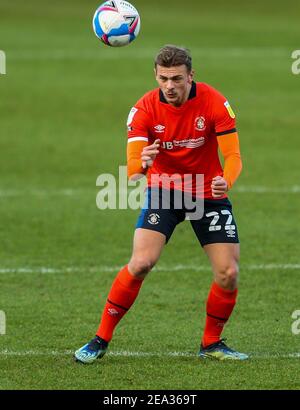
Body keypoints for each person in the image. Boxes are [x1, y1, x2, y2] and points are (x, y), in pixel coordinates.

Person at [74, 45, 248, 363]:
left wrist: (228, 180)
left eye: (177, 79)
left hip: (208, 191)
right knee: (141, 263)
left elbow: (234, 155)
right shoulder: (143, 111)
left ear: (191, 76)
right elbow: (133, 172)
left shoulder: (214, 102)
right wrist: (142, 162)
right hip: (164, 190)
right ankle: (100, 339)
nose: (169, 86)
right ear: (156, 74)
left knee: (228, 272)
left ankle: (211, 344)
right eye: (164, 78)